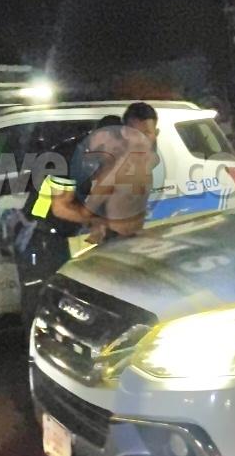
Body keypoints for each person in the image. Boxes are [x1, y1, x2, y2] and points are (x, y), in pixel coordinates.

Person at [15, 115, 118, 328]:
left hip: (57, 236)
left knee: (61, 300)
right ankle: (34, 345)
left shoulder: (90, 154)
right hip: (41, 238)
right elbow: (60, 208)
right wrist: (96, 221)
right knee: (40, 300)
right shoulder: (71, 157)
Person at [84, 102, 160, 242]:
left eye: (146, 133)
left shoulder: (147, 160)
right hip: (113, 241)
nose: (140, 140)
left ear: (156, 134)